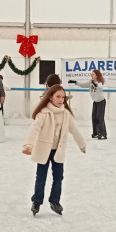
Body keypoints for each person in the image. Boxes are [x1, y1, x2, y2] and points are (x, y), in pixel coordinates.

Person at [22, 84, 86, 216]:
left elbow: (74, 130)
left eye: (63, 97)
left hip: (58, 151)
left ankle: (54, 201)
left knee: (58, 177)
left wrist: (82, 144)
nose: (61, 99)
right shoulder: (43, 114)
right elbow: (34, 129)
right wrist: (29, 144)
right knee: (41, 177)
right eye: (58, 96)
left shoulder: (66, 114)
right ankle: (37, 201)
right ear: (50, 97)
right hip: (44, 150)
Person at [69, 69, 108, 140]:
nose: (91, 76)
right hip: (95, 102)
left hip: (101, 102)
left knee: (100, 118)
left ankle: (103, 134)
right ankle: (96, 133)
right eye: (91, 74)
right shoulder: (90, 82)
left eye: (93, 74)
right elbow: (83, 84)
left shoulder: (99, 82)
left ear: (97, 75)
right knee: (94, 117)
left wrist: (94, 84)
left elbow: (100, 87)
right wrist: (75, 82)